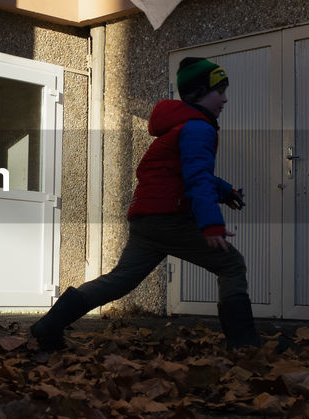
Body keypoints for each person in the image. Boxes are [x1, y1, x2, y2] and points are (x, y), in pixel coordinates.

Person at [31, 56, 259, 351]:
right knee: (231, 263)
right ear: (199, 93)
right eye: (220, 91)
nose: (225, 99)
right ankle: (244, 346)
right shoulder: (199, 128)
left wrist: (225, 191)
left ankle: (49, 325)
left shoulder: (179, 128)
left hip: (147, 219)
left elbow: (180, 172)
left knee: (119, 281)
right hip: (170, 218)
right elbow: (197, 179)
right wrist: (211, 225)